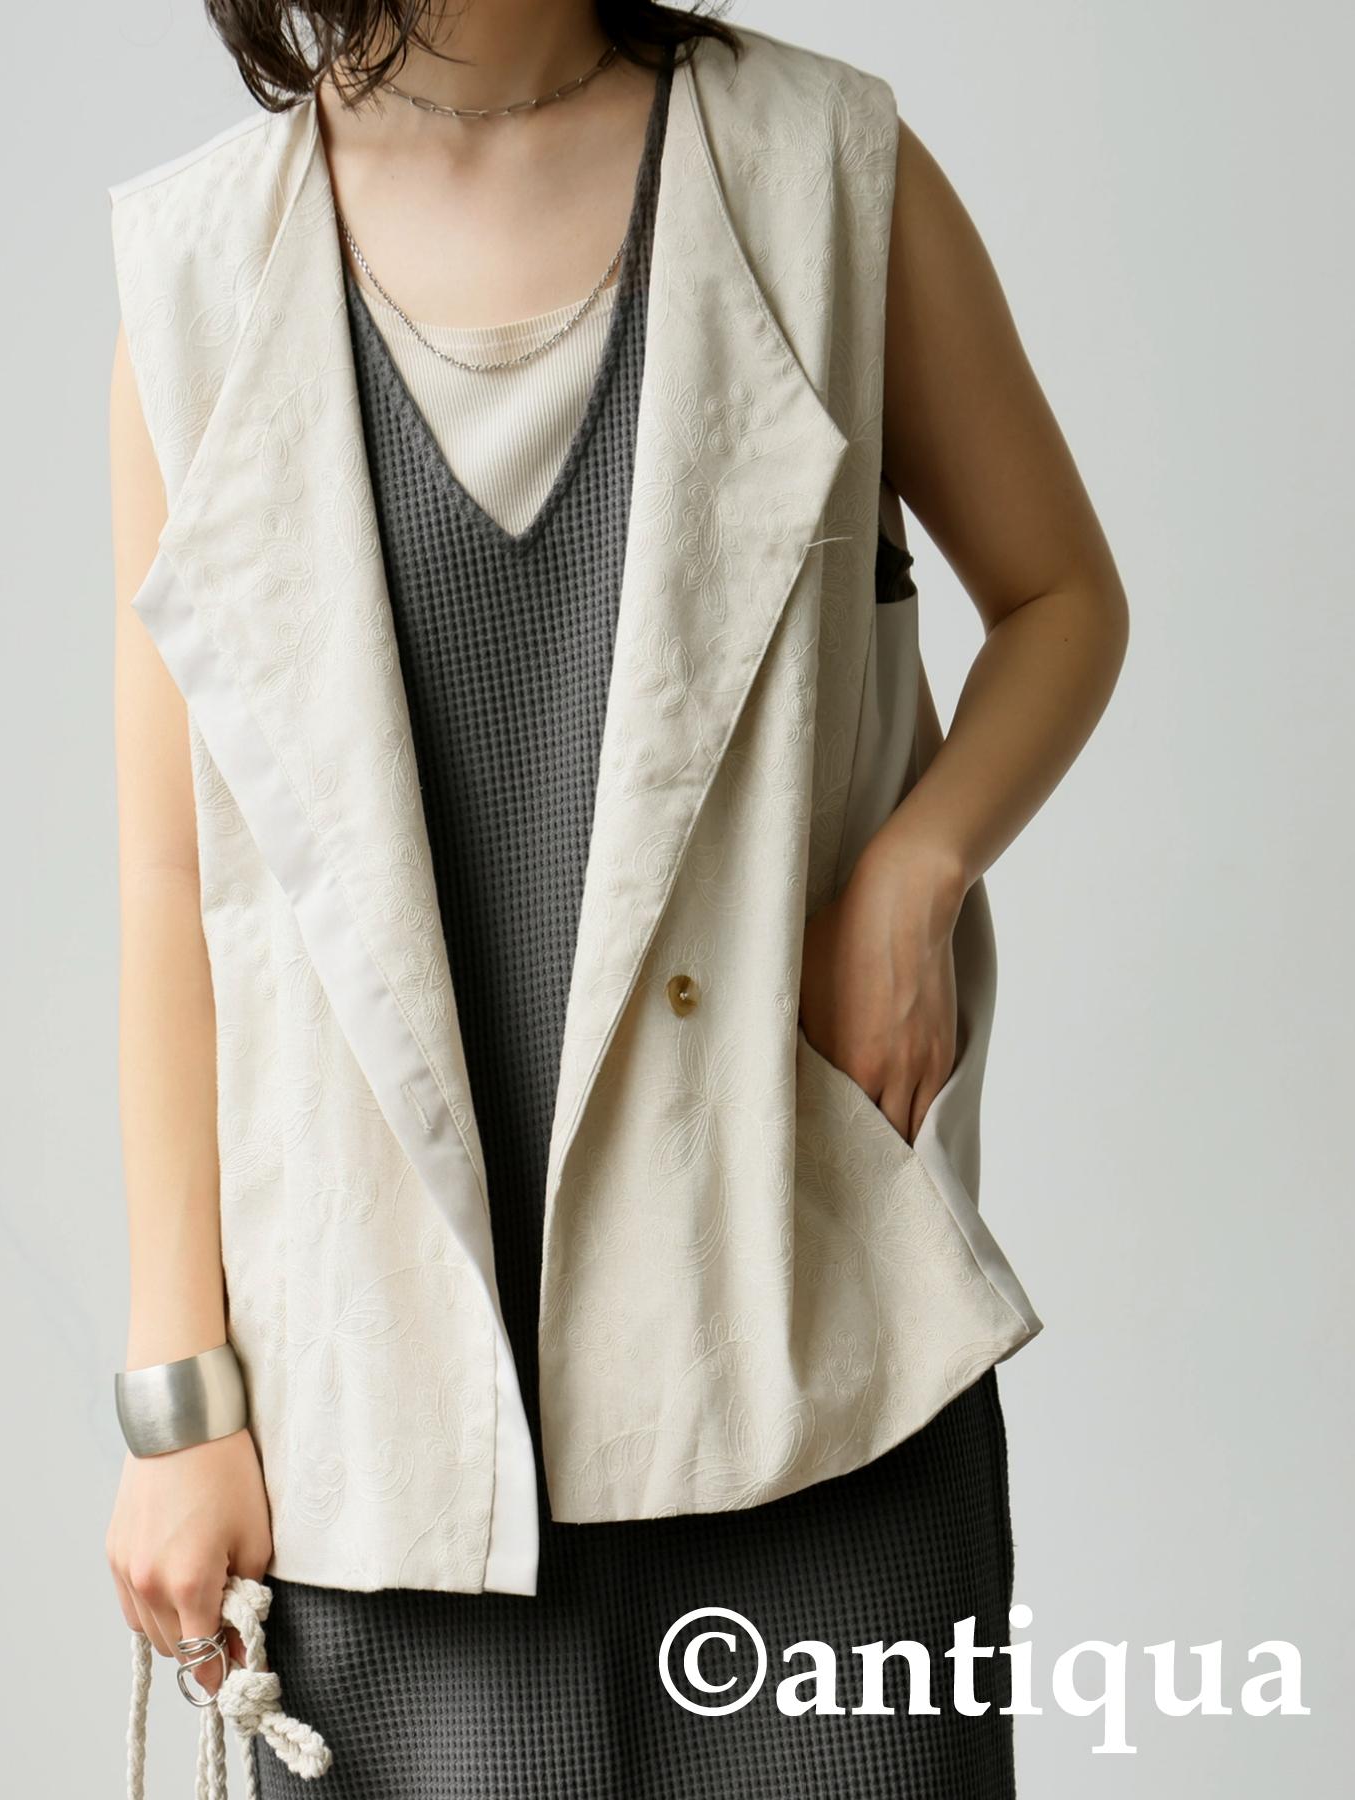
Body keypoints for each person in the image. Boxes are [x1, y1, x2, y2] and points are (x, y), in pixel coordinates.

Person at [105, 4, 1128, 1794]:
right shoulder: (197, 272)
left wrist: (918, 865)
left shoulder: (826, 172)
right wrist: (178, 1407)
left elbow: (1061, 600)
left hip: (801, 1365)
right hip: (388, 1437)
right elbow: (175, 875)